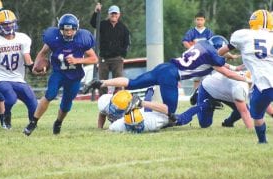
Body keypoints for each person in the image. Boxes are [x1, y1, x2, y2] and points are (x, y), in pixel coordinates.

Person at [83, 35, 251, 123]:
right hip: (171, 76)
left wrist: (243, 66)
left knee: (132, 83)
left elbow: (231, 68)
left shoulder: (201, 46)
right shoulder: (212, 58)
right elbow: (228, 73)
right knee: (169, 112)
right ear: (217, 48)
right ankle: (140, 103)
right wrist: (247, 81)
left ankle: (102, 82)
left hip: (165, 67)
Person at [23, 14, 98, 136]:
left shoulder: (82, 39)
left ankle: (58, 122)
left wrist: (77, 60)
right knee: (49, 95)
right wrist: (35, 66)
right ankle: (33, 122)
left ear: (76, 28)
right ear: (60, 29)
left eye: (71, 29)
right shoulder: (53, 38)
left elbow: (94, 59)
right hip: (59, 73)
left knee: (66, 103)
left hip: (75, 75)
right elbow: (42, 53)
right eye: (65, 29)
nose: (68, 32)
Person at [218, 9, 273, 144]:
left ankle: (262, 141)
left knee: (257, 113)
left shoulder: (243, 35)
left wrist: (214, 54)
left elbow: (222, 51)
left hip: (264, 83)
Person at [90, 3, 130, 96]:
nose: (114, 15)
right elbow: (93, 23)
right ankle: (103, 100)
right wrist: (96, 12)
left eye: (116, 13)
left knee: (118, 81)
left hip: (117, 59)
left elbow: (127, 43)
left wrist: (123, 56)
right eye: (112, 13)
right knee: (102, 81)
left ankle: (118, 100)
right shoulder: (103, 24)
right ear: (109, 14)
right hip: (104, 58)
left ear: (119, 15)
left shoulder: (123, 28)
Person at [97, 89, 169, 133]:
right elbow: (102, 113)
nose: (115, 109)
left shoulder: (118, 125)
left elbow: (165, 110)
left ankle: (149, 92)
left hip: (139, 116)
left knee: (148, 110)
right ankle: (149, 91)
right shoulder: (105, 103)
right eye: (114, 106)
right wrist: (100, 127)